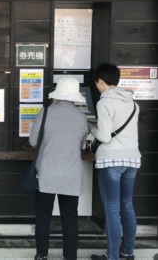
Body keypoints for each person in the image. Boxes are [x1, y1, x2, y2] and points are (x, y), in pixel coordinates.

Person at [29, 77, 89, 260]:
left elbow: (33, 141)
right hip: (71, 175)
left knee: (43, 216)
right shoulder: (81, 118)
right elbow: (82, 145)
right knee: (70, 218)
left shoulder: (45, 112)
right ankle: (70, 257)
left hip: (47, 173)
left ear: (58, 94)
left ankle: (42, 255)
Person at [89, 63, 141, 260]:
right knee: (127, 205)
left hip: (111, 159)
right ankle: (127, 252)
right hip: (132, 159)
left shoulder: (104, 103)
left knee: (112, 209)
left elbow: (104, 137)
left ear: (101, 81)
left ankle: (112, 256)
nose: (97, 87)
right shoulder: (132, 102)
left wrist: (89, 126)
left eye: (97, 83)